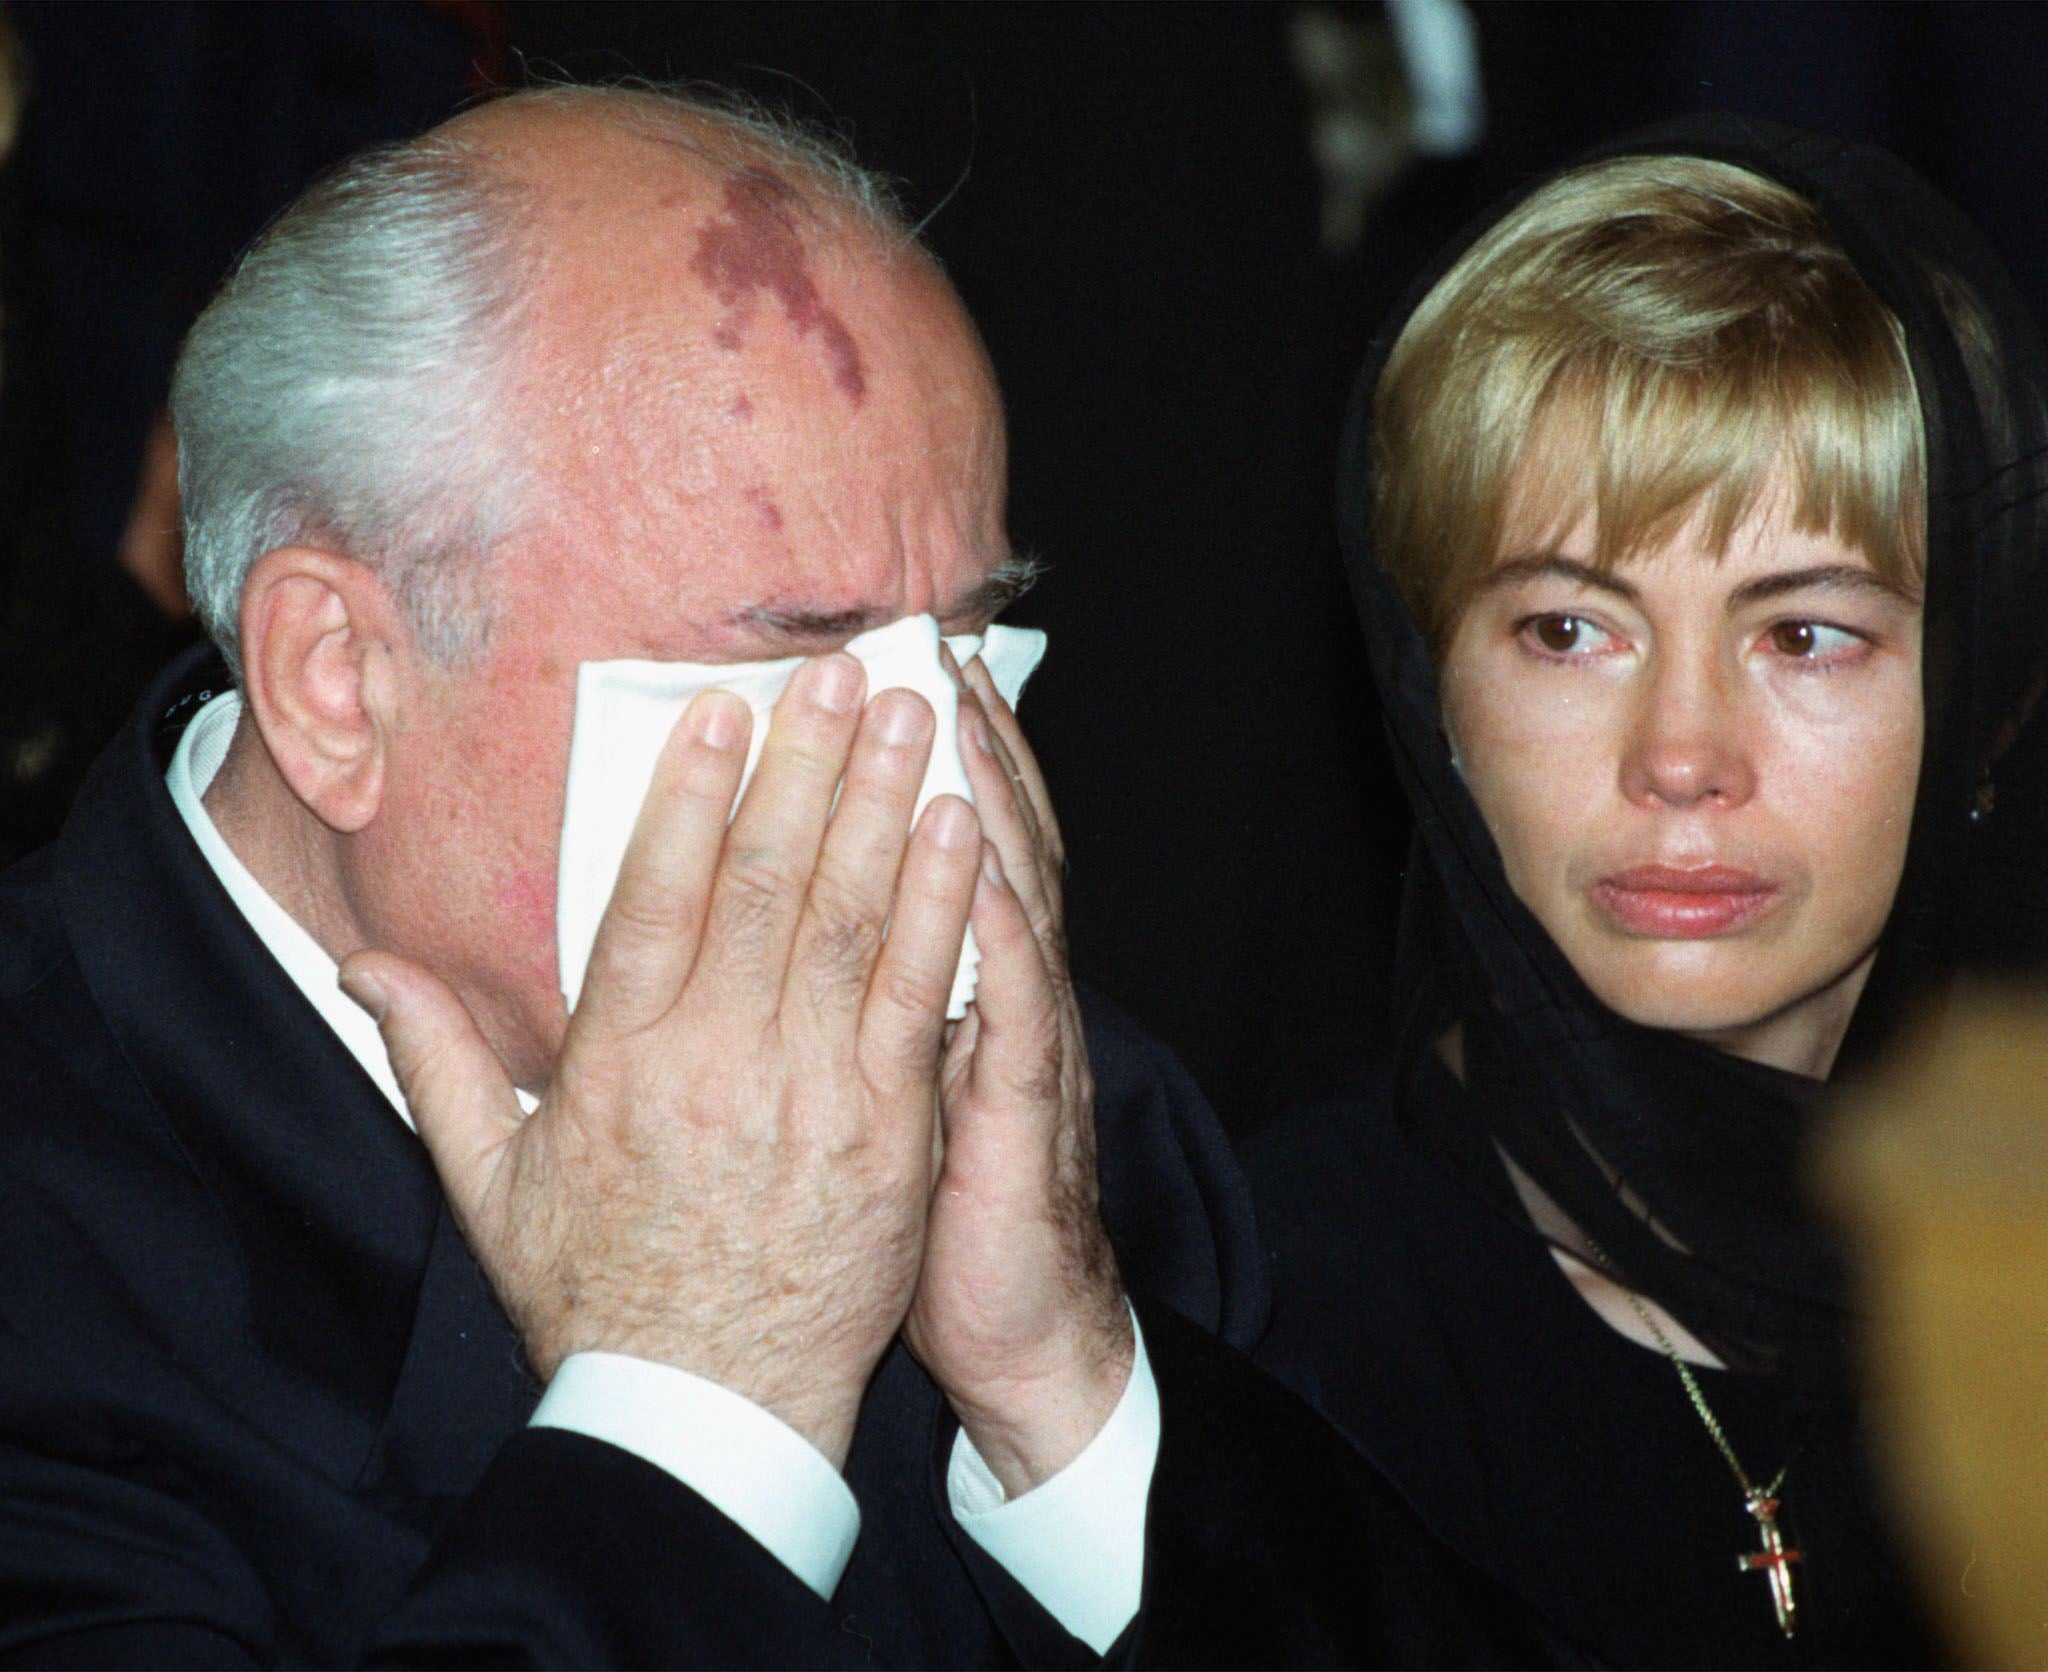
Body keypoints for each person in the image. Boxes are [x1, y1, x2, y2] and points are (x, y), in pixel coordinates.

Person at [0, 83, 1554, 1669]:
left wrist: (1066, 1400)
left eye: (964, 644)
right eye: (800, 656)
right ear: (341, 679)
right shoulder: (51, 1247)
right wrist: (700, 1403)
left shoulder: (1073, 1133)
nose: (925, 779)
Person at [1247, 113, 2048, 1669]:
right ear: (1434, 701)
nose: (1681, 757)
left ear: (1990, 698)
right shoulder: (1255, 1315)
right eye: (1570, 631)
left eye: (1805, 633)